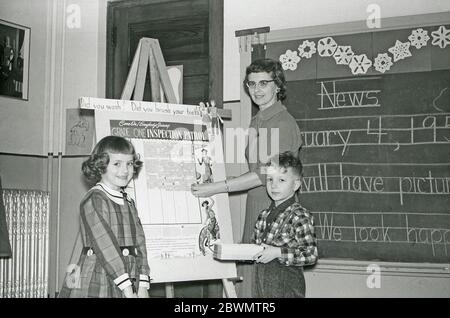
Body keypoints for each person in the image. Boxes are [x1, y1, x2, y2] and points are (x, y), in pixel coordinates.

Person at [191, 58, 302, 297]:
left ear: (278, 85)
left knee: (268, 287)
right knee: (249, 284)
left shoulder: (282, 122)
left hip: (275, 210)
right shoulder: (257, 120)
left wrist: (217, 187)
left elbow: (264, 174)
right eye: (251, 84)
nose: (257, 90)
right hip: (256, 208)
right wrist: (207, 122)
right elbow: (252, 167)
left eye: (264, 83)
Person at [59, 136, 151, 298]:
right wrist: (127, 289)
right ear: (101, 166)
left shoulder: (129, 201)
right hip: (100, 274)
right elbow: (106, 247)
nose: (125, 170)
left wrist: (143, 284)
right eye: (117, 164)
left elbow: (140, 243)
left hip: (128, 277)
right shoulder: (94, 199)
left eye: (129, 164)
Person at [252, 151, 317, 298]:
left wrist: (277, 252)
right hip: (262, 287)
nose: (274, 185)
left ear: (296, 185)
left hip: (288, 289)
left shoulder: (299, 215)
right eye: (270, 180)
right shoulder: (263, 215)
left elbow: (311, 255)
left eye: (281, 180)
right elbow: (255, 249)